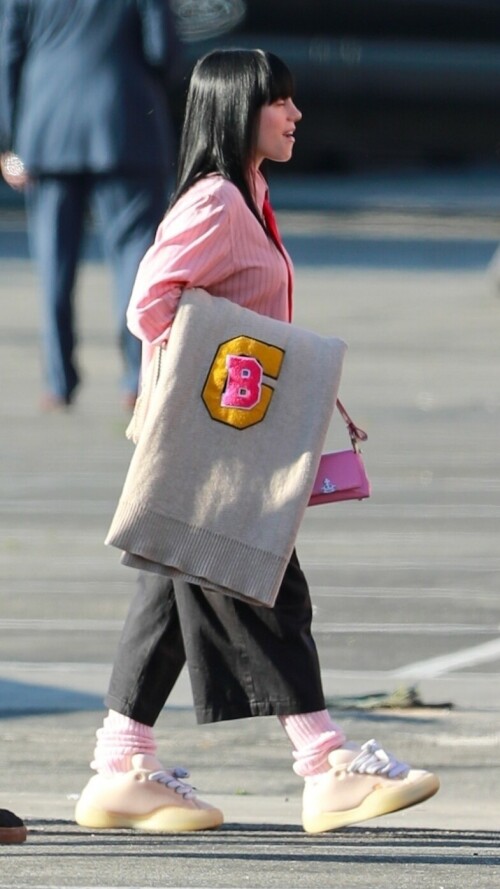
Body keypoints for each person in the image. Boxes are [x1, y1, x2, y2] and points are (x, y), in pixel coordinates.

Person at [75, 48, 440, 835]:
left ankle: (120, 763)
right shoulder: (215, 202)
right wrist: (226, 378)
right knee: (264, 585)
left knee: (174, 592)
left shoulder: (248, 195)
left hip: (219, 439)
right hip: (213, 444)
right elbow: (149, 302)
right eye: (279, 102)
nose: (295, 114)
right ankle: (327, 764)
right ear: (239, 109)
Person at [0, 0, 181, 410]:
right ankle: (136, 377)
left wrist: (10, 145)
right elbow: (164, 53)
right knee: (136, 261)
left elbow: (8, 55)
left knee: (53, 263)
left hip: (45, 133)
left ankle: (59, 382)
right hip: (125, 126)